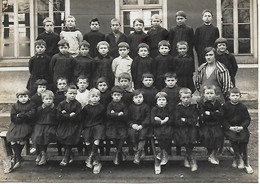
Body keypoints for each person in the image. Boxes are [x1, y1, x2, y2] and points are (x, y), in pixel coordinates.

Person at [222, 88, 253, 174]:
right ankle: (239, 158)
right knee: (233, 137)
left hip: (240, 127)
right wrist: (229, 127)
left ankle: (241, 159)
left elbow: (247, 119)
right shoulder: (225, 106)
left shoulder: (242, 106)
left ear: (240, 96)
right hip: (230, 128)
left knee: (244, 137)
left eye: (237, 95)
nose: (235, 97)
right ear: (229, 96)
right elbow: (223, 119)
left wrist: (242, 127)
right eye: (233, 95)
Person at [5, 89, 36, 173]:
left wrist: (21, 115)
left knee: (22, 139)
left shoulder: (32, 105)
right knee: (11, 139)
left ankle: (16, 157)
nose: (23, 98)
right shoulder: (15, 106)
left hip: (26, 125)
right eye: (21, 97)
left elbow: (32, 115)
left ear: (28, 97)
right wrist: (22, 116)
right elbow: (13, 117)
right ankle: (18, 157)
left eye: (25, 96)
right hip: (16, 125)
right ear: (18, 98)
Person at [197, 85, 224, 165]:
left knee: (218, 135)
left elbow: (221, 114)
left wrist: (210, 114)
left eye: (211, 93)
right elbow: (203, 115)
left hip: (216, 124)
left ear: (215, 94)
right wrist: (214, 113)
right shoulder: (202, 103)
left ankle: (213, 154)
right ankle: (210, 152)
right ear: (204, 94)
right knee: (207, 135)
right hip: (205, 124)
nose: (209, 95)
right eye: (207, 93)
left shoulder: (218, 103)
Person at [56, 85, 82, 166]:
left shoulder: (77, 104)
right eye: (70, 93)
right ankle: (69, 153)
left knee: (70, 135)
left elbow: (78, 116)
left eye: (74, 93)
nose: (72, 95)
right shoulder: (61, 104)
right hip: (63, 124)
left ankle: (66, 156)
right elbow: (58, 116)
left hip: (74, 125)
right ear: (65, 94)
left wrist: (66, 115)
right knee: (60, 134)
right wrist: (69, 116)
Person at [81, 88, 105, 174]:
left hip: (98, 126)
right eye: (93, 96)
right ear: (89, 97)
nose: (95, 98)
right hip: (88, 126)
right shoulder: (86, 108)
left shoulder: (101, 107)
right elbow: (82, 119)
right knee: (87, 141)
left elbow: (104, 119)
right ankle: (95, 160)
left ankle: (90, 158)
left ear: (99, 98)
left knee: (96, 140)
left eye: (97, 96)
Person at [174, 88, 198, 171]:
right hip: (180, 128)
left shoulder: (193, 107)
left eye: (188, 97)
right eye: (184, 97)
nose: (186, 99)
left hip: (191, 128)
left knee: (193, 135)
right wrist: (188, 121)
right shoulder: (178, 107)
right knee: (183, 135)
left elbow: (194, 120)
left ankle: (188, 156)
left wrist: (184, 120)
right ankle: (189, 157)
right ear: (180, 97)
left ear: (191, 97)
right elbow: (177, 121)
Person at [31, 90, 57, 166]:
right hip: (40, 124)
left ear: (53, 100)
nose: (48, 101)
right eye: (46, 99)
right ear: (43, 100)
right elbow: (36, 119)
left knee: (46, 134)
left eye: (50, 99)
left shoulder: (55, 108)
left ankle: (42, 154)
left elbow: (57, 118)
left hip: (51, 125)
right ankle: (42, 154)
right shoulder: (39, 109)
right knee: (37, 135)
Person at [106, 86, 128, 165]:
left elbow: (125, 115)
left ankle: (118, 153)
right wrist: (118, 114)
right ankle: (120, 152)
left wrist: (113, 114)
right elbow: (108, 114)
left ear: (121, 95)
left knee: (123, 136)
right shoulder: (110, 104)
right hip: (112, 124)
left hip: (121, 124)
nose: (116, 97)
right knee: (112, 136)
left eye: (118, 95)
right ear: (112, 95)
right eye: (115, 95)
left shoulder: (123, 105)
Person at [128, 90, 150, 164]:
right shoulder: (130, 107)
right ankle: (139, 150)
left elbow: (148, 117)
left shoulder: (146, 106)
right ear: (133, 99)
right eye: (136, 97)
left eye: (140, 97)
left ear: (143, 98)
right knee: (132, 133)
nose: (138, 99)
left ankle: (137, 153)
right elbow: (128, 118)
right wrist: (132, 125)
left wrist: (142, 125)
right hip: (133, 125)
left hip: (144, 125)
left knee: (143, 135)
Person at [151, 92, 173, 166]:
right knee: (159, 134)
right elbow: (152, 120)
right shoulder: (154, 109)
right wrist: (162, 122)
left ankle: (163, 153)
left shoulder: (169, 109)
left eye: (163, 100)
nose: (161, 101)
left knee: (168, 134)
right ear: (156, 102)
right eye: (159, 100)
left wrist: (164, 121)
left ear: (167, 102)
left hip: (168, 126)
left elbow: (172, 119)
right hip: (158, 127)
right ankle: (164, 153)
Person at [96, 77, 111, 155]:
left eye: (104, 85)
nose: (102, 87)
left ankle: (107, 153)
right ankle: (101, 152)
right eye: (100, 85)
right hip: (99, 118)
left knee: (107, 136)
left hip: (108, 117)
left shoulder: (109, 94)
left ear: (107, 86)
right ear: (97, 86)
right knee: (100, 135)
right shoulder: (96, 95)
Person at [53, 77, 67, 156]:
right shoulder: (55, 96)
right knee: (58, 133)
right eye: (60, 84)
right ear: (57, 85)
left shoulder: (68, 94)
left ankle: (67, 150)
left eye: (64, 84)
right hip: (59, 118)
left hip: (68, 117)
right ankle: (59, 151)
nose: (62, 86)